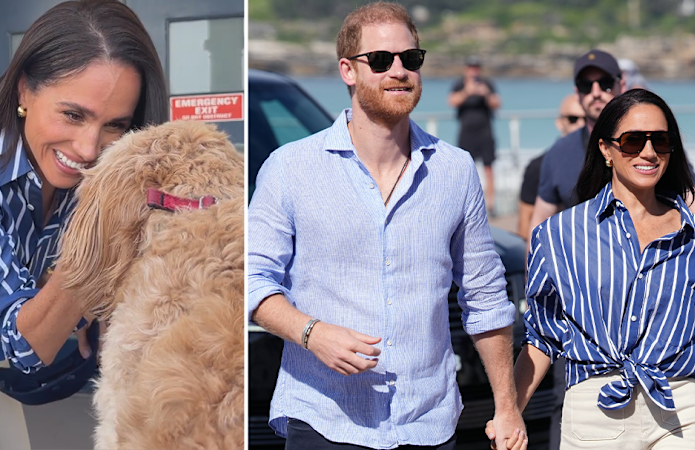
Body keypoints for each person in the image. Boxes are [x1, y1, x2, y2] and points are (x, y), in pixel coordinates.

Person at [248, 3, 526, 449]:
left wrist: (507, 407)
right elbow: (250, 279)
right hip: (325, 419)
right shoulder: (289, 169)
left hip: (428, 424)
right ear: (348, 70)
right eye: (380, 60)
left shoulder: (455, 170)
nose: (399, 71)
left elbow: (486, 298)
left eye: (410, 58)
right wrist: (312, 333)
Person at [0, 0, 167, 448]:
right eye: (73, 114)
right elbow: (25, 342)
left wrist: (97, 300)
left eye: (115, 125)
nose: (89, 148)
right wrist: (92, 264)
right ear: (24, 90)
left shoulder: (105, 166)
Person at [490, 88, 695, 449]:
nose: (648, 152)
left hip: (682, 412)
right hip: (595, 413)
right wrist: (509, 413)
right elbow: (543, 337)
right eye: (632, 141)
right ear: (606, 149)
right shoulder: (560, 234)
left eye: (660, 141)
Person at [529, 49, 695, 232]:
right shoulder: (558, 153)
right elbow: (539, 227)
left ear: (622, 84)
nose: (596, 92)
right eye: (586, 85)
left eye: (606, 83)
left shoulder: (661, 149)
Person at [516, 93, 585, 240]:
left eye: (586, 119)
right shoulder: (538, 166)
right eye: (573, 119)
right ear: (559, 123)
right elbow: (525, 223)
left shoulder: (601, 163)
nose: (580, 124)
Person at [448, 55, 501, 214]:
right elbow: (452, 101)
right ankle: (466, 205)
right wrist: (467, 92)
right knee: (466, 168)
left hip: (485, 132)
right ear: (466, 69)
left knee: (488, 168)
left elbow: (497, 103)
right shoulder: (459, 84)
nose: (474, 71)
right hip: (466, 133)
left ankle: (491, 206)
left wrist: (486, 94)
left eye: (476, 67)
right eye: (471, 67)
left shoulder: (487, 83)